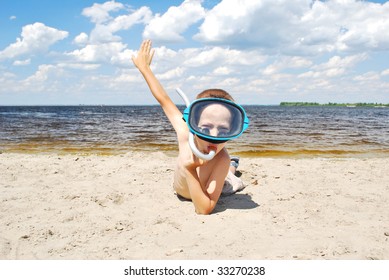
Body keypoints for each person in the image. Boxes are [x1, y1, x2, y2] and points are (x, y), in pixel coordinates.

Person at [132, 39, 246, 215]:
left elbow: (204, 208)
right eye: (206, 129)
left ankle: (232, 166)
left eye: (223, 131)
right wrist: (145, 69)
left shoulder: (220, 158)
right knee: (227, 174)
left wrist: (190, 169)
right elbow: (163, 99)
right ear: (192, 123)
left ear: (233, 130)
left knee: (231, 180)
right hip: (189, 188)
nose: (213, 136)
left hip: (218, 184)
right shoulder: (185, 133)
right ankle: (233, 166)